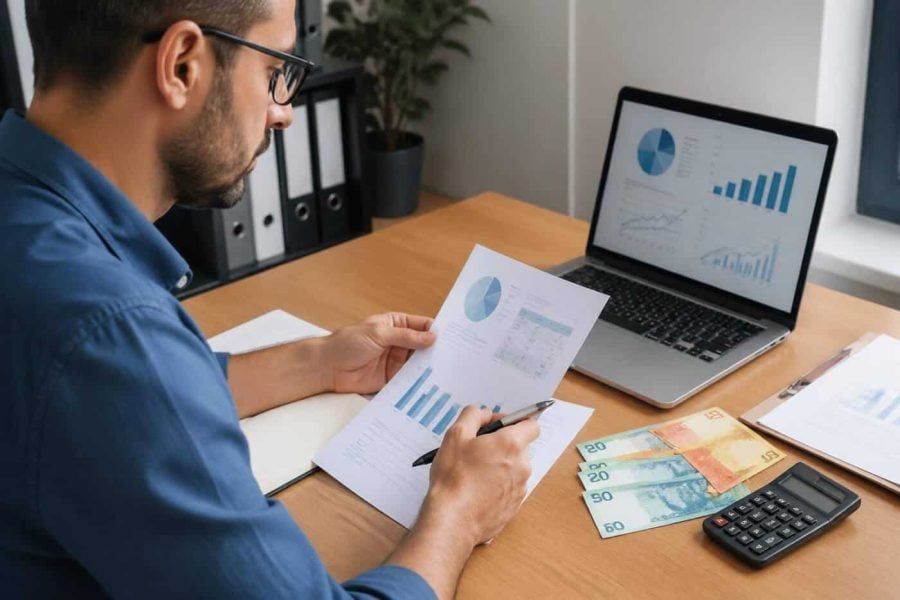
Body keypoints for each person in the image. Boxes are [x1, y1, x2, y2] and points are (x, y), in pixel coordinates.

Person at [0, 0, 539, 597]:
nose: (283, 113)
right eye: (274, 71)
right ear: (181, 66)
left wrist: (317, 362)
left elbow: (104, 397)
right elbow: (124, 375)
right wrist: (459, 513)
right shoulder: (109, 335)